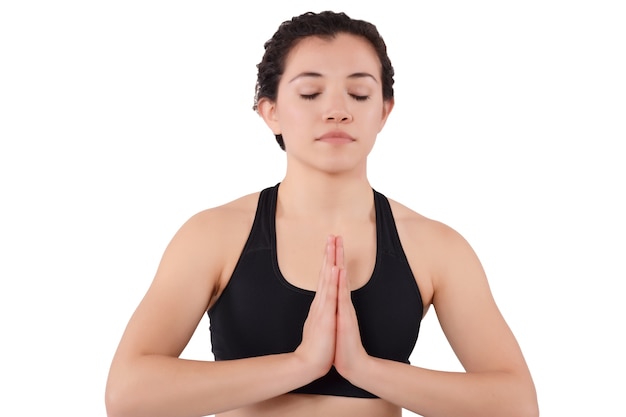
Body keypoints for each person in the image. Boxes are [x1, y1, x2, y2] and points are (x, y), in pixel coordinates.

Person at [105, 10, 538, 417]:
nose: (337, 110)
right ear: (270, 111)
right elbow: (128, 393)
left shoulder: (435, 246)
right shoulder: (213, 235)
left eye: (360, 93)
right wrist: (300, 364)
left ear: (384, 111)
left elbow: (516, 403)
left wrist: (363, 368)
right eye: (311, 92)